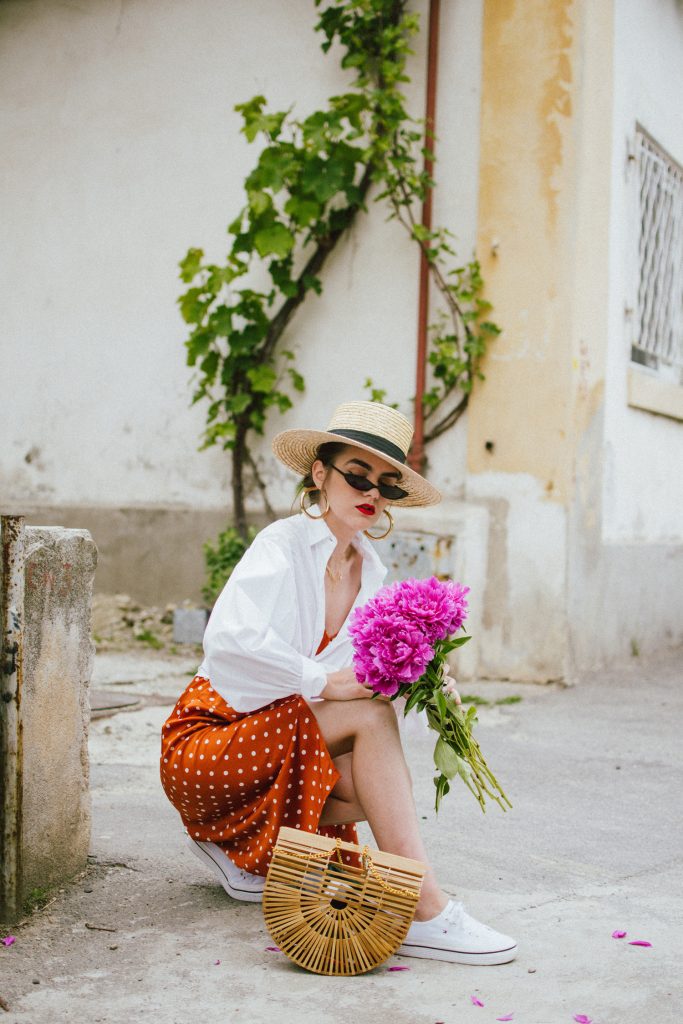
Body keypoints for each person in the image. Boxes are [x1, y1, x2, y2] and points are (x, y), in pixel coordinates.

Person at [160, 401, 517, 966]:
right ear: (320, 474)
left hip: (275, 742)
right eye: (357, 474)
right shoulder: (280, 546)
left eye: (386, 485)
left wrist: (416, 675)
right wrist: (324, 678)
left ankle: (229, 847)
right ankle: (426, 911)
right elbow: (228, 642)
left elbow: (357, 683)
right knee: (372, 722)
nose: (371, 492)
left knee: (370, 776)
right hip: (208, 744)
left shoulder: (372, 574)